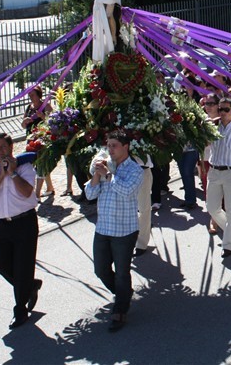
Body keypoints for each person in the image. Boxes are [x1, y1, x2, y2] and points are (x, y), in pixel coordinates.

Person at [84, 130, 145, 332]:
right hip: (103, 228)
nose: (110, 149)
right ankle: (123, 295)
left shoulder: (135, 169)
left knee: (121, 272)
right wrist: (95, 175)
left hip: (124, 230)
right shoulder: (104, 166)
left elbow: (127, 192)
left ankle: (120, 309)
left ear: (125, 147)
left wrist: (109, 175)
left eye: (114, 145)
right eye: (108, 145)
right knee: (100, 269)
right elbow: (90, 195)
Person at [0, 133, 41, 329]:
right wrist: (1, 176)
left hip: (25, 222)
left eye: (3, 147)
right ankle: (29, 286)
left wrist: (12, 173)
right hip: (4, 225)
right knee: (0, 263)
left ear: (11, 147)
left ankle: (20, 310)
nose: (0, 151)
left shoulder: (24, 167)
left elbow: (26, 192)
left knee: (23, 266)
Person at [207, 97, 231, 259]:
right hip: (214, 170)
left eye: (226, 109)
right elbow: (206, 144)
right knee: (212, 207)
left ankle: (228, 243)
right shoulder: (213, 126)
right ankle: (230, 229)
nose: (222, 112)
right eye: (220, 109)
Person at [22, 86, 55, 198]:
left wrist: (43, 116)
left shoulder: (45, 105)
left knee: (40, 163)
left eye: (33, 95)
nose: (31, 97)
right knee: (40, 163)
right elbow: (22, 125)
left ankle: (37, 193)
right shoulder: (29, 108)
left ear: (38, 95)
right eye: (29, 95)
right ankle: (50, 187)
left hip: (42, 138)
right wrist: (25, 121)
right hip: (30, 139)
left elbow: (53, 121)